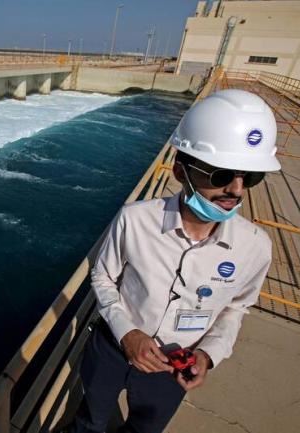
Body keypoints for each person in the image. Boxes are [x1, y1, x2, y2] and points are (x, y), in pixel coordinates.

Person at [69, 89, 281, 433]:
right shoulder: (134, 219)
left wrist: (209, 354)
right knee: (90, 419)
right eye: (221, 175)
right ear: (181, 171)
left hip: (174, 368)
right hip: (112, 349)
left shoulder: (255, 247)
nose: (236, 190)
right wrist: (127, 333)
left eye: (250, 176)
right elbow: (103, 277)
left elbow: (237, 308)